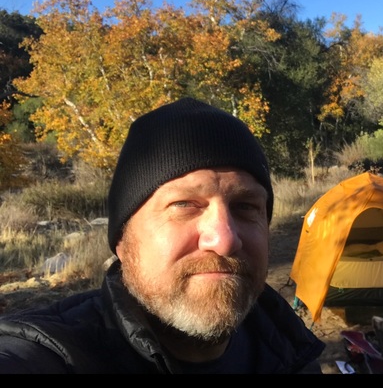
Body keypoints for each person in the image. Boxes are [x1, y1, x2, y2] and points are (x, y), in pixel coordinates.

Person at [0, 98, 325, 373]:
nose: (225, 240)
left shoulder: (290, 350)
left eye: (245, 207)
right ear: (123, 240)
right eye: (184, 204)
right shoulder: (53, 356)